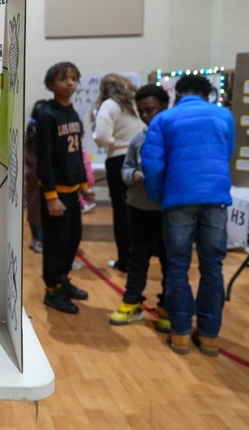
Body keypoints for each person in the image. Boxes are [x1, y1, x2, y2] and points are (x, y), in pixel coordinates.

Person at [142, 75, 234, 356]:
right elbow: (226, 153)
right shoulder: (224, 116)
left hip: (179, 198)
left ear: (178, 93)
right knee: (213, 268)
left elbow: (153, 165)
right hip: (216, 198)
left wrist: (159, 195)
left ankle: (180, 333)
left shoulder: (164, 120)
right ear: (208, 94)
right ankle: (209, 336)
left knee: (178, 267)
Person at [109, 84, 170, 331]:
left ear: (165, 107)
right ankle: (132, 302)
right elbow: (124, 170)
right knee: (137, 257)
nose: (146, 115)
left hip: (167, 211)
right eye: (141, 111)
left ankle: (167, 305)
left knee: (169, 260)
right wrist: (135, 175)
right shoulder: (138, 140)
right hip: (138, 209)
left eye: (151, 110)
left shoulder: (174, 138)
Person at [35, 62, 94, 314]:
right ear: (51, 84)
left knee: (72, 240)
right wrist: (51, 196)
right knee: (56, 244)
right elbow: (44, 160)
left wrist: (83, 185)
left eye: (73, 78)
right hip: (56, 195)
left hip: (72, 193)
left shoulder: (73, 114)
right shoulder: (47, 115)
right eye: (63, 79)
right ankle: (52, 291)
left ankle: (63, 279)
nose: (69, 83)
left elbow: (77, 154)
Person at [93, 74, 145, 272]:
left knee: (121, 213)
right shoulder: (136, 102)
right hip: (142, 157)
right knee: (139, 210)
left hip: (118, 159)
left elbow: (103, 138)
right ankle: (141, 259)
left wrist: (101, 135)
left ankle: (124, 261)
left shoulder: (109, 105)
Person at [25, 99, 48, 253]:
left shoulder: (31, 129)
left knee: (33, 209)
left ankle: (35, 239)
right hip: (39, 174)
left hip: (31, 174)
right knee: (39, 210)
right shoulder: (40, 132)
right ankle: (40, 240)